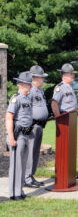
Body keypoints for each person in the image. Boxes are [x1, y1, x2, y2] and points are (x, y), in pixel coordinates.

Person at [5, 71, 33, 201]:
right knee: (16, 164)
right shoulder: (15, 98)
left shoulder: (27, 98)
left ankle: (20, 189)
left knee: (22, 163)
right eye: (28, 85)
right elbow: (9, 118)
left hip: (27, 134)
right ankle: (13, 193)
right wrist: (11, 138)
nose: (31, 87)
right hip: (18, 134)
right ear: (21, 85)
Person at [24, 65, 49, 188]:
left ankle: (31, 175)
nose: (43, 80)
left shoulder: (40, 90)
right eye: (41, 77)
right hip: (32, 126)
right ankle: (26, 178)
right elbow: (26, 109)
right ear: (34, 78)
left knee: (35, 152)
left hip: (39, 126)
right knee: (29, 152)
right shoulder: (30, 90)